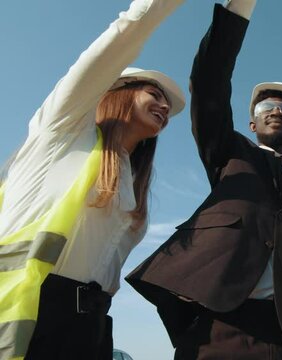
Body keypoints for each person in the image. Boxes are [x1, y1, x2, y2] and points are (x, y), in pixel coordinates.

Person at [125, 1, 282, 359]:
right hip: (221, 324)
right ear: (252, 124)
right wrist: (240, 7)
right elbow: (209, 82)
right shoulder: (230, 153)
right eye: (264, 109)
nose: (276, 111)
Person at [0, 1, 186, 359]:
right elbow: (124, 36)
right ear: (118, 91)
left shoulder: (133, 184)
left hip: (89, 326)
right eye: (155, 94)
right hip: (25, 311)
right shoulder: (63, 132)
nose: (164, 107)